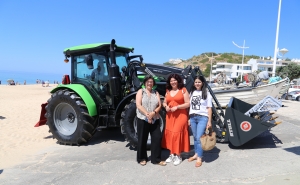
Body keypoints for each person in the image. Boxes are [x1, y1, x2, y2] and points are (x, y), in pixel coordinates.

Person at [135, 75, 166, 166]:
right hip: (142, 118)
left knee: (157, 138)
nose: (150, 83)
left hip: (155, 118)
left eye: (151, 82)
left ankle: (156, 159)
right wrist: (147, 115)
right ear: (145, 83)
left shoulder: (156, 92)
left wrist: (153, 113)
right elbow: (138, 105)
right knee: (142, 138)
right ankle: (142, 158)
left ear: (153, 83)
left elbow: (159, 105)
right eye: (148, 81)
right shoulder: (141, 92)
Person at [162, 73, 190, 166]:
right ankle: (171, 154)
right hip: (170, 116)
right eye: (171, 81)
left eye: (174, 80)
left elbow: (188, 103)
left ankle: (178, 155)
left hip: (181, 115)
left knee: (177, 134)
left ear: (178, 81)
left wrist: (177, 107)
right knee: (170, 134)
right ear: (169, 82)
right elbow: (164, 102)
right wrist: (165, 106)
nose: (173, 82)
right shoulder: (168, 91)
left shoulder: (183, 90)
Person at [188, 75, 212, 167]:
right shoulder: (192, 92)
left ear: (202, 83)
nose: (197, 84)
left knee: (199, 138)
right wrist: (189, 118)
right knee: (194, 137)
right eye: (196, 82)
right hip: (193, 117)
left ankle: (199, 158)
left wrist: (209, 121)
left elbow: (209, 108)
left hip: (202, 117)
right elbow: (190, 107)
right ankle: (196, 154)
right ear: (194, 83)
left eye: (199, 82)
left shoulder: (206, 93)